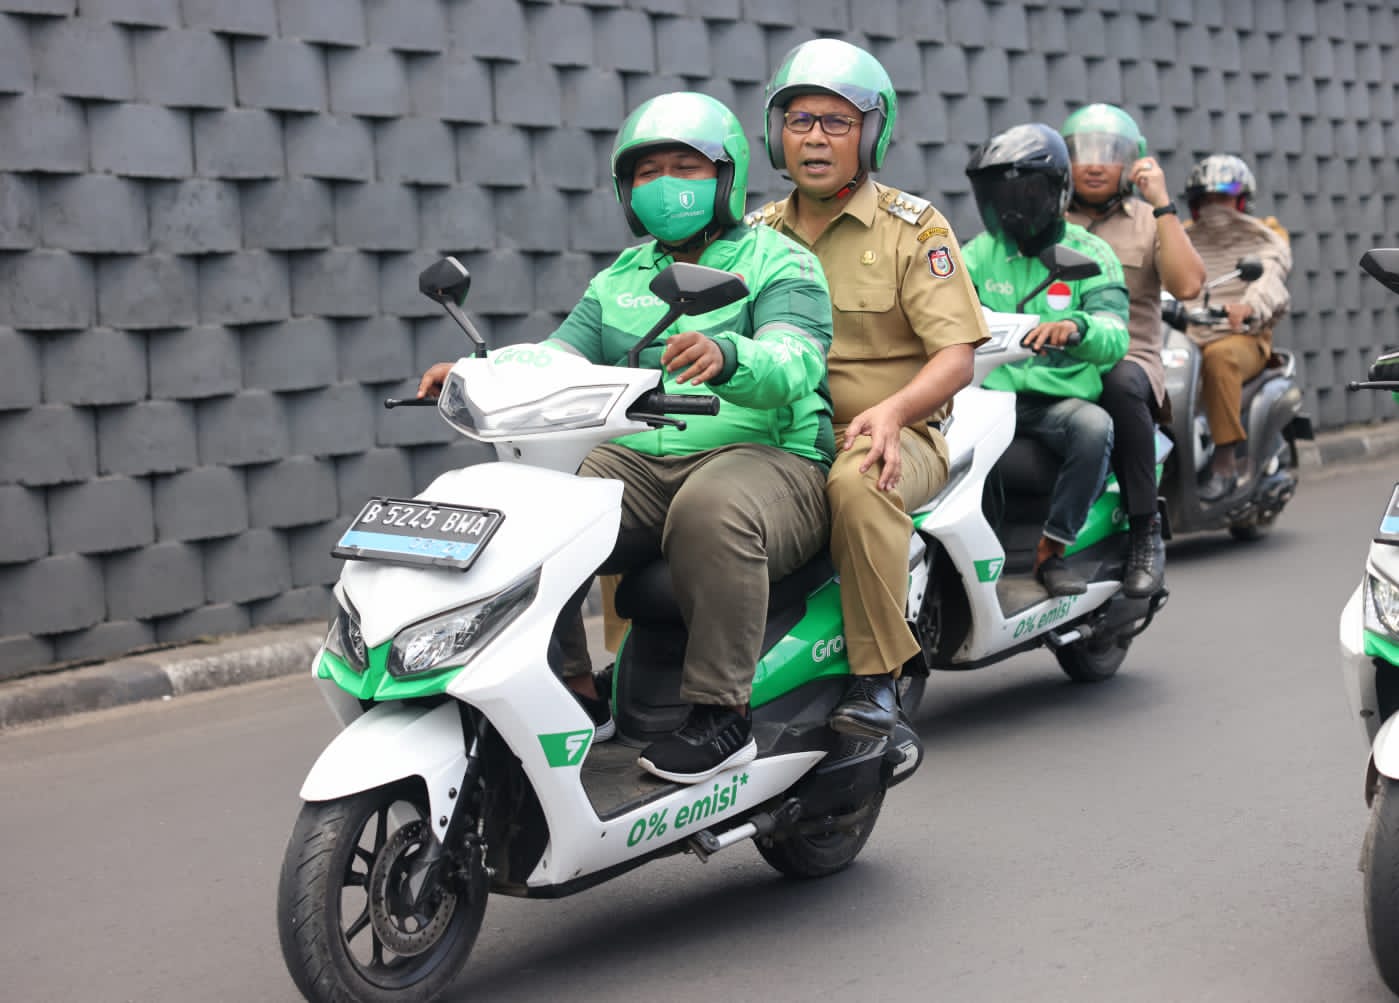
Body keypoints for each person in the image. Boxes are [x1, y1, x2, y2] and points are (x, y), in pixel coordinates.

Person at [417, 92, 835, 785]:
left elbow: (796, 360)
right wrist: (474, 370)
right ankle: (577, 691)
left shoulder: (779, 260)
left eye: (686, 166)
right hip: (643, 455)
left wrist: (731, 356)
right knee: (534, 511)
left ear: (725, 177)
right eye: (647, 172)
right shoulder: (620, 277)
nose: (665, 183)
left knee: (713, 509)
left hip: (769, 455)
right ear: (625, 190)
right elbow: (560, 358)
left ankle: (720, 715)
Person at [748, 38, 987, 738]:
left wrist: (891, 410)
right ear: (774, 134)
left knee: (860, 481)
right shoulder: (754, 235)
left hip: (894, 434)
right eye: (798, 121)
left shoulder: (915, 228)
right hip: (780, 433)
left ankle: (879, 676)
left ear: (870, 135)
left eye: (836, 122)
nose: (814, 139)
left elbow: (954, 356)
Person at [962, 123, 1130, 596]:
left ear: (1056, 191)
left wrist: (1078, 328)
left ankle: (1053, 549)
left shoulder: (1091, 254)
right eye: (999, 193)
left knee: (1095, 427)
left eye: (1026, 191)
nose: (1011, 205)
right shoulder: (975, 255)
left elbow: (1115, 332)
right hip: (988, 395)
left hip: (1057, 401)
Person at [1061, 104, 1205, 597]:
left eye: (1110, 154)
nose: (1096, 164)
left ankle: (1146, 532)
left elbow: (1187, 286)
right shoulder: (1048, 218)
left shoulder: (1148, 219)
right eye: (1084, 153)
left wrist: (1162, 202)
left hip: (1132, 358)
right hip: (1055, 359)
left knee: (1119, 382)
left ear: (1132, 162)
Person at [1180, 154, 1293, 501]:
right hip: (1184, 339)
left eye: (1224, 198)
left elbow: (1270, 277)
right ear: (1196, 203)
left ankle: (1225, 461)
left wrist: (1249, 307)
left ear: (1242, 200)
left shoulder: (1266, 235)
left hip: (1242, 338)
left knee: (1220, 358)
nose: (1216, 208)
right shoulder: (1178, 238)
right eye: (1208, 199)